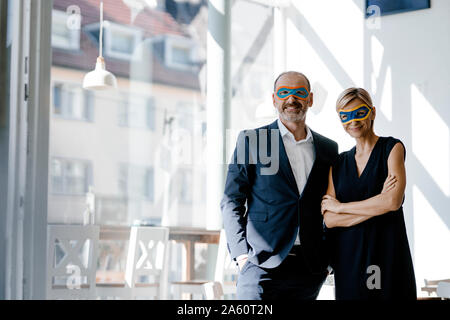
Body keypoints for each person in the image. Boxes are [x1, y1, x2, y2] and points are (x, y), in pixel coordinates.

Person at [221, 71, 338, 300]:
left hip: (310, 268)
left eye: (299, 93)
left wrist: (330, 259)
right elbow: (231, 200)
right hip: (260, 265)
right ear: (274, 99)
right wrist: (242, 256)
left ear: (310, 99)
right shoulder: (252, 140)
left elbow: (332, 204)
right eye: (284, 93)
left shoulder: (328, 148)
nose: (291, 99)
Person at [321, 87, 416, 300]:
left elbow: (392, 201)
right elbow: (330, 219)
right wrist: (378, 204)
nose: (353, 121)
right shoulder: (337, 163)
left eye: (359, 113)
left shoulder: (392, 148)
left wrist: (342, 207)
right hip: (349, 259)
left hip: (388, 254)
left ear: (372, 112)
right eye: (345, 116)